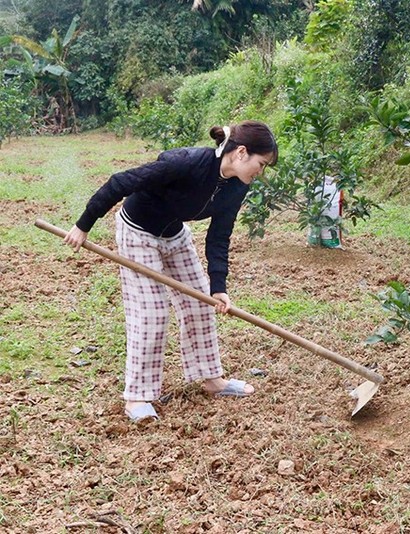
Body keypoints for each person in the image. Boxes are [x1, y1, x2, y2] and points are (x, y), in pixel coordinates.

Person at [63, 121, 278, 423]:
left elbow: (219, 237)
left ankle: (211, 379)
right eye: (261, 163)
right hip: (138, 232)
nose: (261, 172)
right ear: (242, 152)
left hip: (175, 236)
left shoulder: (237, 186)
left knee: (202, 303)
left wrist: (218, 288)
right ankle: (137, 395)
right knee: (151, 313)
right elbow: (121, 182)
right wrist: (83, 224)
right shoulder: (185, 163)